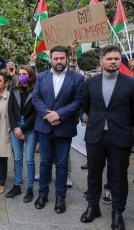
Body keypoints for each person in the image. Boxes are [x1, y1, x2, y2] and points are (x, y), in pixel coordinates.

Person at [80, 46, 134, 229]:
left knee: (119, 177)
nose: (113, 61)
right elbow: (87, 106)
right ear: (102, 62)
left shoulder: (131, 83)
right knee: (93, 175)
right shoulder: (90, 83)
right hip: (95, 136)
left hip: (119, 136)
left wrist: (120, 125)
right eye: (109, 58)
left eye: (116, 58)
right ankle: (93, 207)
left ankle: (117, 213)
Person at [32, 46, 84, 213]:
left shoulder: (77, 78)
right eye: (56, 58)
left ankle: (60, 197)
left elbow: (78, 101)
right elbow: (36, 98)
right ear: (51, 59)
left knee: (62, 164)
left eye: (62, 58)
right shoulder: (41, 76)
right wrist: (48, 116)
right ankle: (43, 194)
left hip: (64, 128)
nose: (59, 61)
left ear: (67, 58)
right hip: (45, 127)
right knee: (45, 163)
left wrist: (59, 115)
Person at [6, 65, 37, 203]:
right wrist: (15, 128)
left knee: (29, 160)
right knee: (17, 158)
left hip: (29, 127)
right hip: (15, 127)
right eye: (19, 73)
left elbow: (36, 113)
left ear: (30, 76)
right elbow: (10, 110)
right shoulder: (14, 89)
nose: (21, 76)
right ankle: (17, 185)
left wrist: (23, 129)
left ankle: (30, 188)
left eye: (24, 73)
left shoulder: (36, 90)